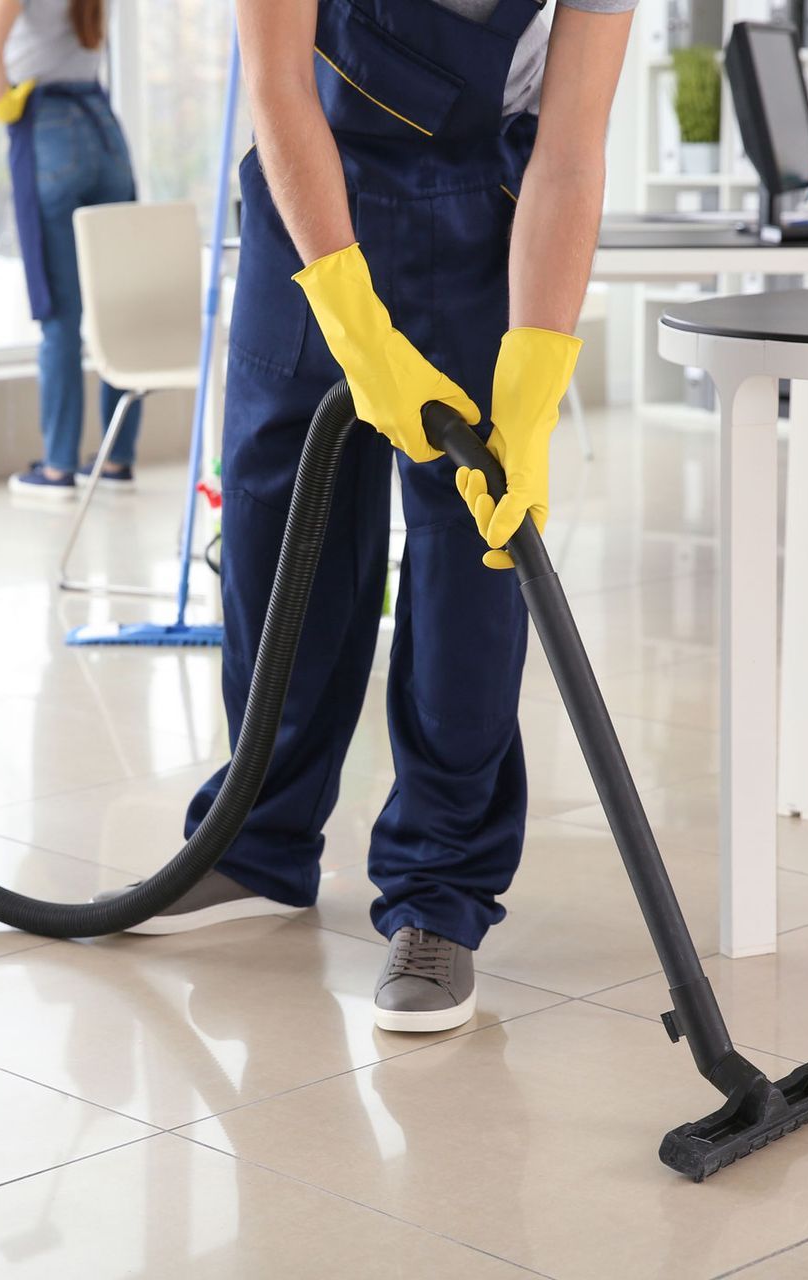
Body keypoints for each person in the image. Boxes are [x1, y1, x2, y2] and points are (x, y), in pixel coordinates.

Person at [98, 0, 634, 1034]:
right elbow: (280, 82)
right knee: (276, 520)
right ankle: (257, 839)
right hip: (312, 196)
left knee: (468, 558)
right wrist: (353, 315)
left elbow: (571, 150)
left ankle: (440, 891)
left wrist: (534, 369)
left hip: (480, 209)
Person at [0, 0, 142, 499]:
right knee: (118, 306)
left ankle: (58, 468)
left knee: (59, 315)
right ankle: (117, 459)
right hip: (103, 130)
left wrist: (2, 104)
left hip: (47, 124)